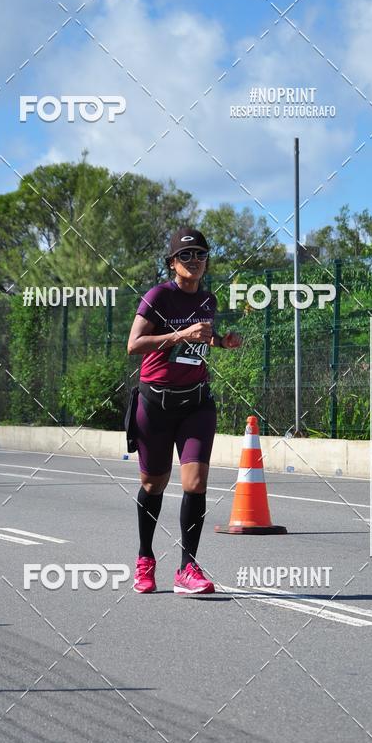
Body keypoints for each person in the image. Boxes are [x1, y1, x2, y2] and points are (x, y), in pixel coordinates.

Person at [126, 226, 242, 595]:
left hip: (196, 402)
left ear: (207, 261)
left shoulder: (208, 300)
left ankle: (187, 569)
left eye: (200, 255)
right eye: (186, 256)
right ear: (172, 263)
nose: (194, 261)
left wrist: (223, 342)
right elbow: (134, 344)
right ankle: (145, 559)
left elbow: (202, 341)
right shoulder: (159, 295)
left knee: (195, 484)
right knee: (152, 484)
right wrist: (178, 335)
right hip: (155, 403)